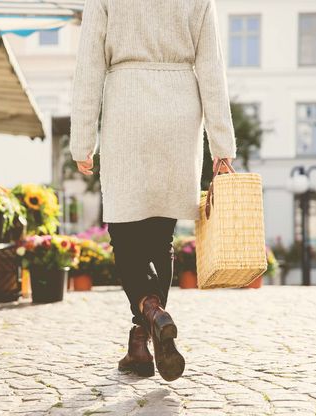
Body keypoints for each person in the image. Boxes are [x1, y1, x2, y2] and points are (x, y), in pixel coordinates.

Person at [69, 0, 237, 381]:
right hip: (180, 111)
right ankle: (140, 342)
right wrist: (222, 148)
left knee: (124, 232)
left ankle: (151, 309)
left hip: (127, 109)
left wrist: (82, 141)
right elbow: (212, 69)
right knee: (161, 235)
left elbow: (89, 65)